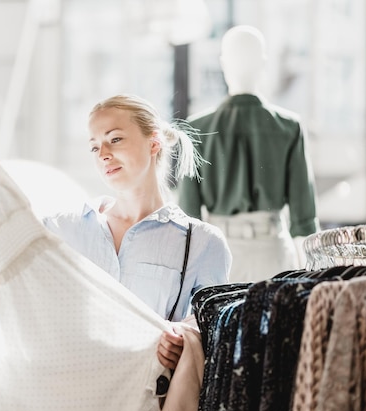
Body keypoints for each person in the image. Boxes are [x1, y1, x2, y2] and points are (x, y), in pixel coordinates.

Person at [42, 94, 231, 370]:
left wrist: (184, 339)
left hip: (150, 404)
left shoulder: (203, 244)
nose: (103, 154)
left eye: (115, 139)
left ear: (153, 143)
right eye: (95, 147)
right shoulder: (62, 229)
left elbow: (216, 337)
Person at [176, 25, 320, 283]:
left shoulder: (197, 129)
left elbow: (188, 218)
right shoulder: (289, 126)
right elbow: (304, 219)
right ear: (263, 63)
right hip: (273, 253)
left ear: (222, 63)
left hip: (217, 253)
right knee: (277, 324)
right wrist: (313, 280)